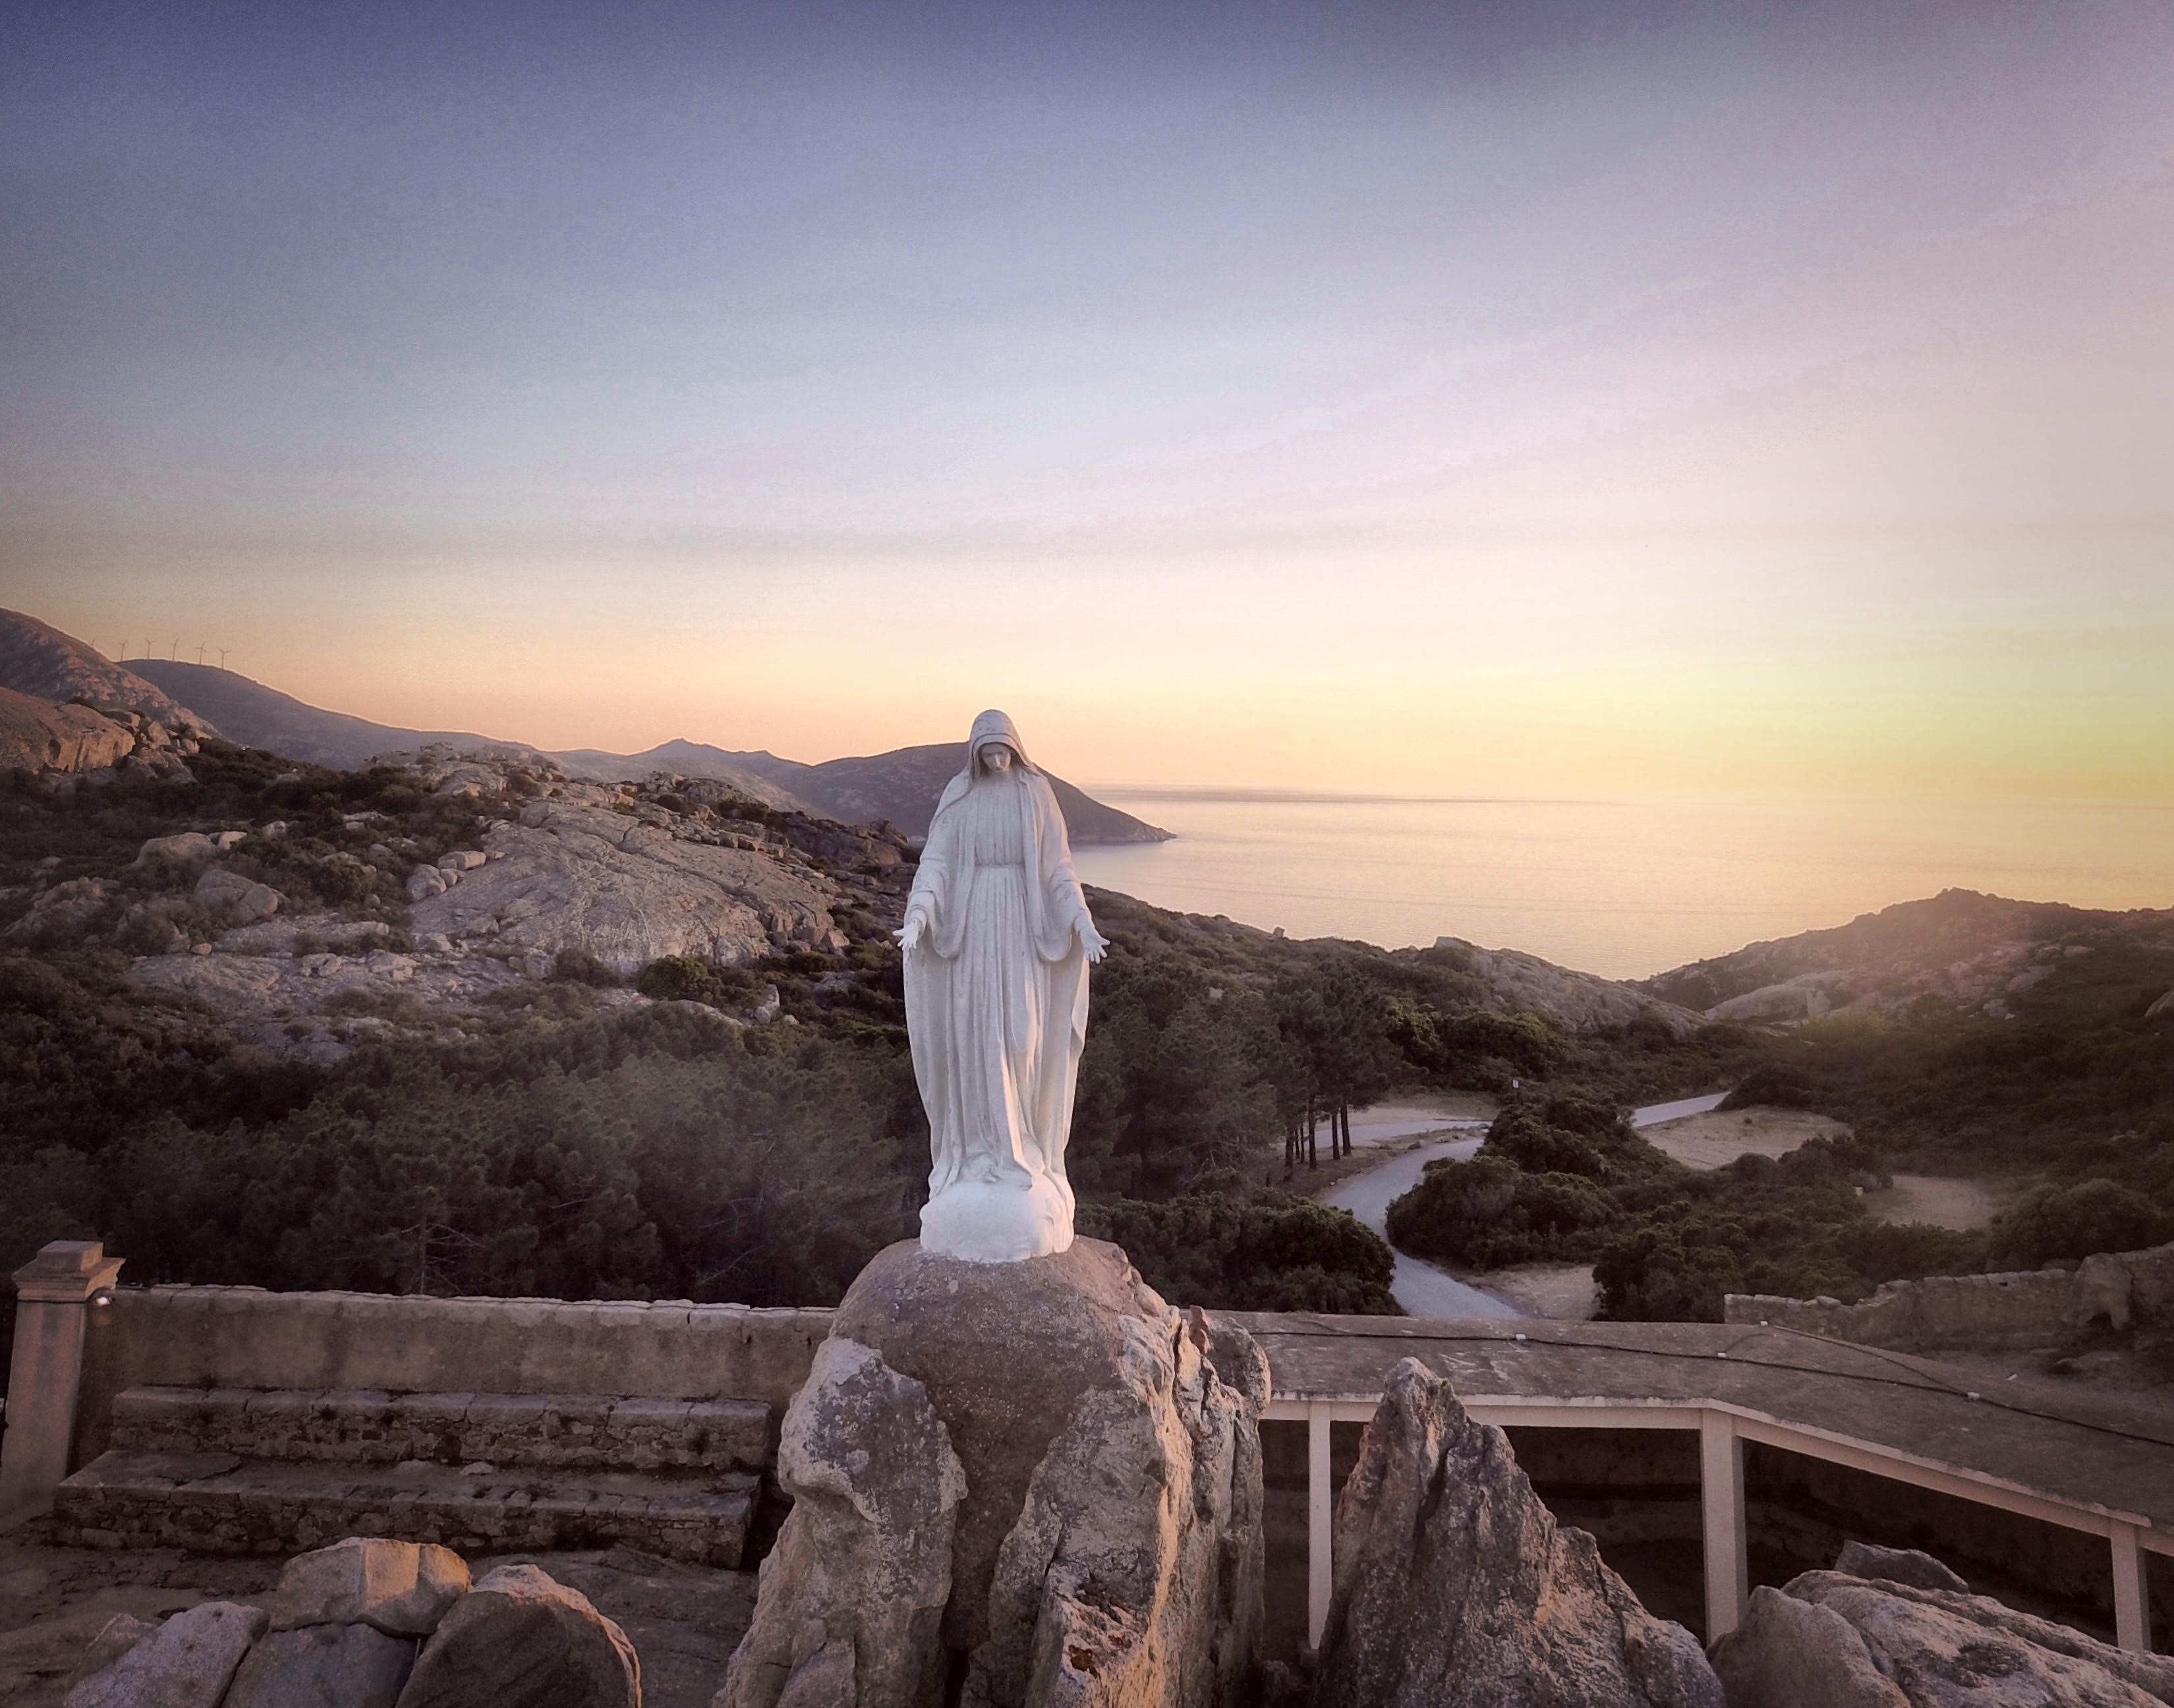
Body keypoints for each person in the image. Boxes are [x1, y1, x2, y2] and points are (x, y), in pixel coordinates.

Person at [896, 710, 1108, 1261]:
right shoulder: (959, 796)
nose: (995, 759)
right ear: (975, 752)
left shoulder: (1035, 794)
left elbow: (1058, 869)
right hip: (972, 929)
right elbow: (936, 863)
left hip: (1019, 926)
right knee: (978, 1039)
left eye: (1003, 750)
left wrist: (1082, 925)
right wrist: (919, 914)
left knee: (1022, 1038)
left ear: (1015, 748)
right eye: (986, 751)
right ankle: (981, 1156)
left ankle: (1026, 1152)